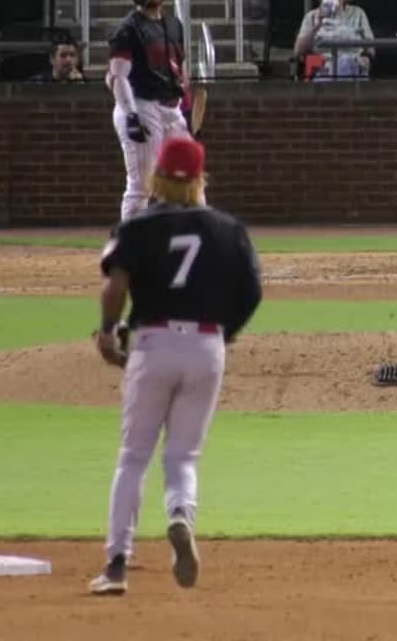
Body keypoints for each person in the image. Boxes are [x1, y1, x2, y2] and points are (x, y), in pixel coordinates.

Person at [88, 136, 264, 596]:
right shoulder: (228, 229)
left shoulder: (138, 227)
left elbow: (115, 285)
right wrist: (226, 333)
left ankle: (117, 565)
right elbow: (252, 291)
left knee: (133, 456)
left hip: (153, 342)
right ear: (201, 179)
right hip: (207, 346)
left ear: (157, 177)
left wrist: (108, 329)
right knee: (183, 456)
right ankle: (181, 516)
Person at [108, 0, 194, 221]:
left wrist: (185, 108)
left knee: (189, 175)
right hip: (141, 104)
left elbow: (180, 68)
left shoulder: (173, 24)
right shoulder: (128, 28)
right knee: (142, 185)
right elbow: (117, 76)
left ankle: (194, 235)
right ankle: (130, 246)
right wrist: (131, 115)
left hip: (171, 106)